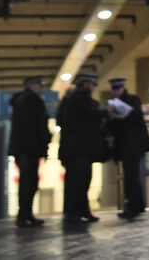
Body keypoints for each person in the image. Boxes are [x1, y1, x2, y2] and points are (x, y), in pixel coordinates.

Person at [56, 73, 110, 223]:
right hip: (80, 149)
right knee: (80, 181)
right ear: (86, 84)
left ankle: (78, 211)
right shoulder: (79, 100)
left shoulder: (70, 99)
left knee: (78, 181)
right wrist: (104, 113)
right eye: (92, 85)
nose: (93, 89)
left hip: (75, 149)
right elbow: (88, 118)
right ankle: (77, 212)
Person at [8, 75, 51, 227]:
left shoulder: (25, 100)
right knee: (28, 183)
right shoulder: (28, 101)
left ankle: (26, 215)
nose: (42, 87)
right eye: (40, 84)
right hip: (28, 149)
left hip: (27, 148)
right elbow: (32, 127)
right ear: (32, 85)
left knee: (29, 183)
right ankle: (24, 216)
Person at [108, 77, 149, 220]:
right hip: (128, 146)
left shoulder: (132, 100)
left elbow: (135, 119)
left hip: (131, 145)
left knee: (131, 177)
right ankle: (136, 205)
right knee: (131, 176)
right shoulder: (127, 101)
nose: (116, 92)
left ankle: (133, 206)